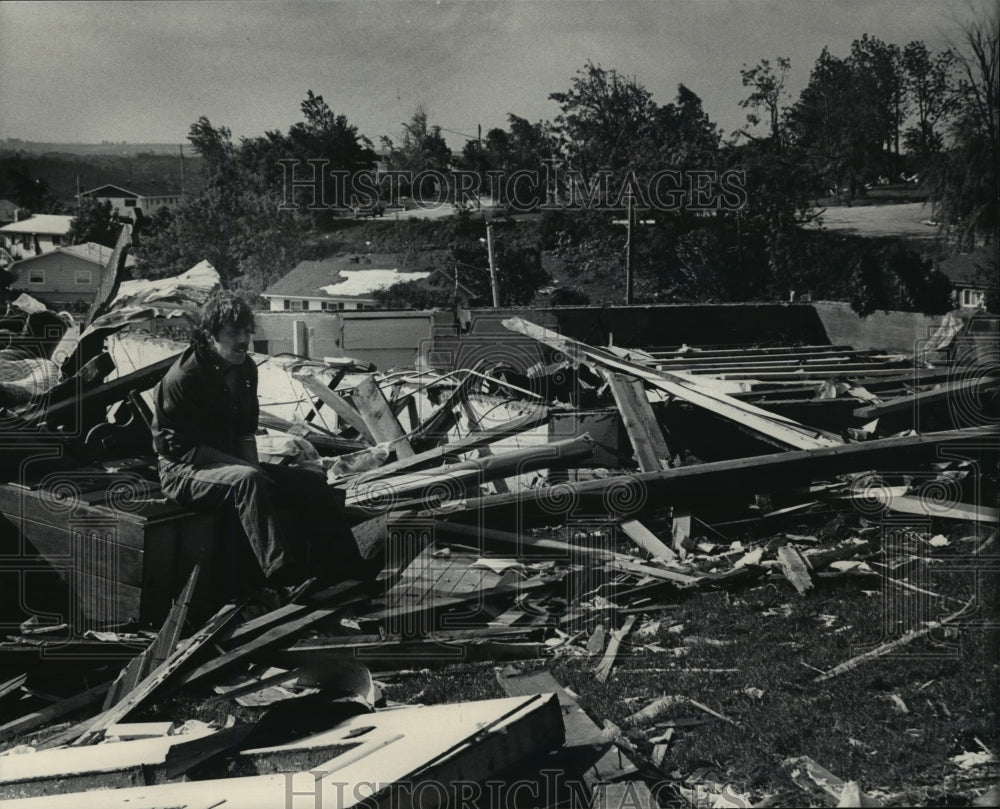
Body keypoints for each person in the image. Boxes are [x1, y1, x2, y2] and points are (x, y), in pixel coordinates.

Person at [151, 290, 366, 597]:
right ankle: (282, 574)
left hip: (226, 464)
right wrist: (245, 469)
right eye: (232, 334)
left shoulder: (245, 370)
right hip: (182, 470)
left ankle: (346, 567)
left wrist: (251, 466)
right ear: (210, 336)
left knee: (310, 482)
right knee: (248, 480)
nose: (242, 341)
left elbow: (245, 433)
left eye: (246, 333)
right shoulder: (185, 378)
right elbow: (178, 448)